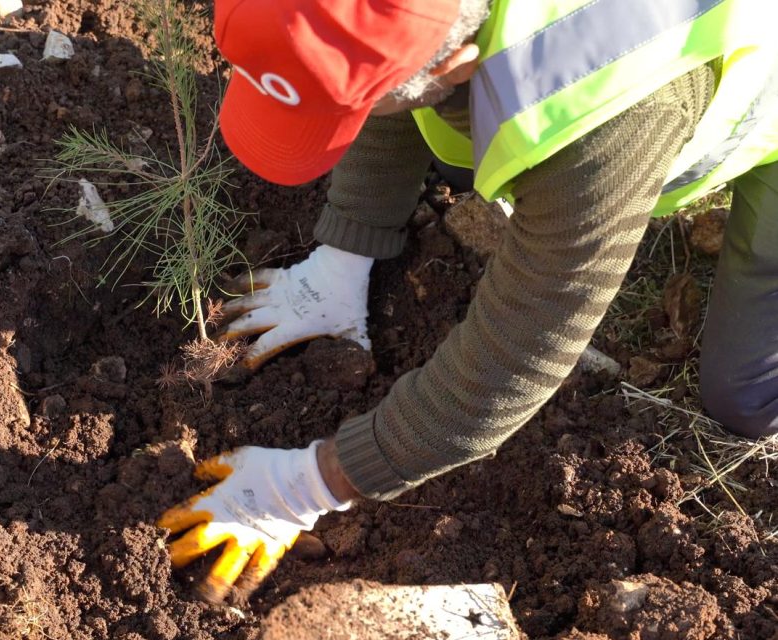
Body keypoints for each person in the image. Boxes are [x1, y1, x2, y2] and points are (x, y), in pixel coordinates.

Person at [158, 0, 778, 603]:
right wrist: (342, 255)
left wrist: (310, 484)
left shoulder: (598, 122)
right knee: (466, 144)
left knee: (747, 398)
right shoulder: (435, 30)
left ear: (455, 58)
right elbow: (374, 57)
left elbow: (523, 351)